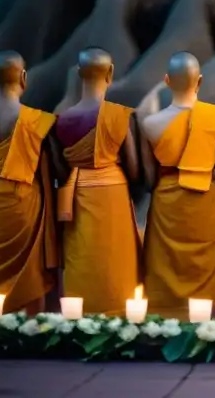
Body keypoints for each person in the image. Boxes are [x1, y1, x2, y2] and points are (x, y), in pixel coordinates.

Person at [140, 52, 215, 317]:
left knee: (166, 264)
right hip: (204, 199)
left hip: (166, 203)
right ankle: (201, 322)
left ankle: (168, 321)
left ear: (167, 81)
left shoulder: (149, 124)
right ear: (200, 81)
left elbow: (149, 178)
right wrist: (202, 174)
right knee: (202, 268)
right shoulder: (214, 116)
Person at [53, 48, 139, 315]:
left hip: (77, 194)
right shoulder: (119, 116)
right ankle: (117, 314)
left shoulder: (61, 119)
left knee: (82, 254)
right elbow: (134, 168)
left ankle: (81, 313)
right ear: (110, 74)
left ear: (79, 74)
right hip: (113, 192)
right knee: (116, 257)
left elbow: (59, 169)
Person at [0, 51, 57, 314]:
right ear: (23, 77)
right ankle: (31, 330)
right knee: (29, 271)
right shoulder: (36, 121)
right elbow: (49, 169)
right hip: (26, 200)